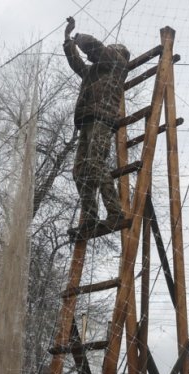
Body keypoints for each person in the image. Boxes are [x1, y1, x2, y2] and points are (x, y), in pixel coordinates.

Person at [63, 16, 130, 232]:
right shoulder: (94, 73)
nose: (107, 52)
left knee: (96, 163)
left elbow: (97, 48)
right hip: (87, 120)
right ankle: (90, 217)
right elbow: (77, 63)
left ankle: (115, 213)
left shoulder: (117, 65)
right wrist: (68, 41)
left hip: (102, 119)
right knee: (79, 170)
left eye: (112, 49)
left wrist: (79, 37)